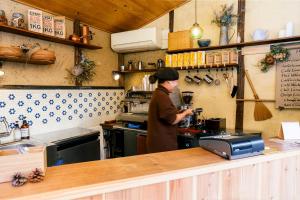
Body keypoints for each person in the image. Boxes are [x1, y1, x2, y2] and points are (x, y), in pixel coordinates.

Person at [147, 67, 193, 153]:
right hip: (163, 146)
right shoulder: (162, 96)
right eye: (175, 81)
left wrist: (181, 113)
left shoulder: (159, 94)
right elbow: (173, 120)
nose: (177, 84)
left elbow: (167, 114)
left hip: (159, 144)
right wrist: (186, 113)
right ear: (168, 81)